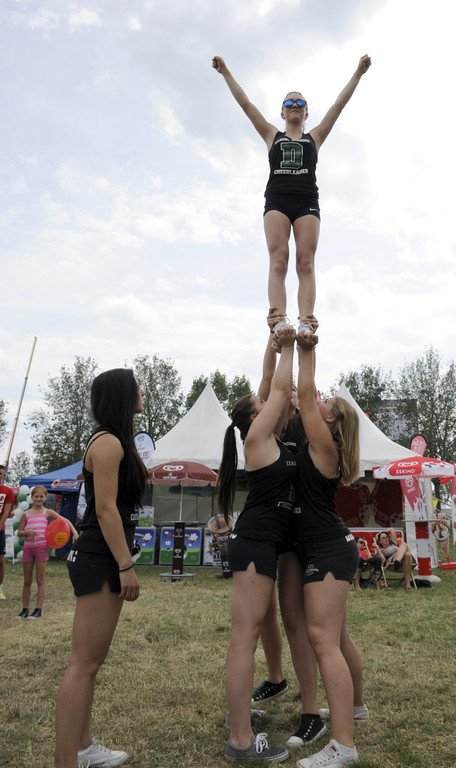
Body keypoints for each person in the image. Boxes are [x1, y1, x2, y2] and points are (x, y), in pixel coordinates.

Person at [212, 55, 371, 328]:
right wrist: (225, 71)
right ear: (282, 112)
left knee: (305, 262)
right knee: (279, 261)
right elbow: (246, 104)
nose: (294, 106)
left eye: (300, 103)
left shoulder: (314, 137)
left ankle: (306, 321)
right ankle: (278, 319)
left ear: (306, 113)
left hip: (306, 200)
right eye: (289, 103)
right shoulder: (271, 135)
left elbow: (338, 105)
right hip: (277, 200)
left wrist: (358, 73)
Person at [54, 369, 147, 768]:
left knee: (89, 664)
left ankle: (83, 748)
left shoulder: (115, 441)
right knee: (83, 664)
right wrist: (126, 565)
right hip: (100, 556)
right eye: (136, 385)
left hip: (102, 554)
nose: (142, 390)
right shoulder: (108, 442)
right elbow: (106, 509)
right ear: (122, 395)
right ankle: (66, 760)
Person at [218, 324, 297, 763]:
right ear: (255, 417)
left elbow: (269, 382)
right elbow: (280, 388)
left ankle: (242, 713)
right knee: (243, 639)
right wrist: (290, 343)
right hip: (254, 544)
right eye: (261, 404)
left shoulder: (265, 435)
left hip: (261, 544)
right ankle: (241, 741)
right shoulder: (257, 438)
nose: (267, 401)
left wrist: (272, 340)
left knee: (251, 634)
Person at [292, 324, 364, 768]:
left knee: (322, 640)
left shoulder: (323, 443)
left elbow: (304, 394)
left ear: (333, 420)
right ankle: (357, 708)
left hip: (327, 551)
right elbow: (305, 398)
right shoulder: (326, 444)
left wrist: (306, 348)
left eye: (327, 405)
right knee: (336, 636)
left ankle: (343, 746)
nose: (319, 403)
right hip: (330, 546)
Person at [16, 485, 78, 619]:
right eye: (36, 496)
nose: (38, 498)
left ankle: (38, 610)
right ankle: (25, 609)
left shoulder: (48, 512)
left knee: (40, 580)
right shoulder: (26, 514)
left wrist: (74, 532)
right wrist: (27, 532)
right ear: (32, 497)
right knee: (27, 580)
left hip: (42, 548)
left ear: (45, 498)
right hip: (28, 549)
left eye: (41, 496)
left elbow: (64, 520)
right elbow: (19, 532)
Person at [0, 464, 15, 600]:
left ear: (4, 475)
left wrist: (0, 525)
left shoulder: (8, 491)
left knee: (0, 560)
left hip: (0, 529)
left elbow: (7, 511)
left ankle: (0, 588)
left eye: (1, 473)